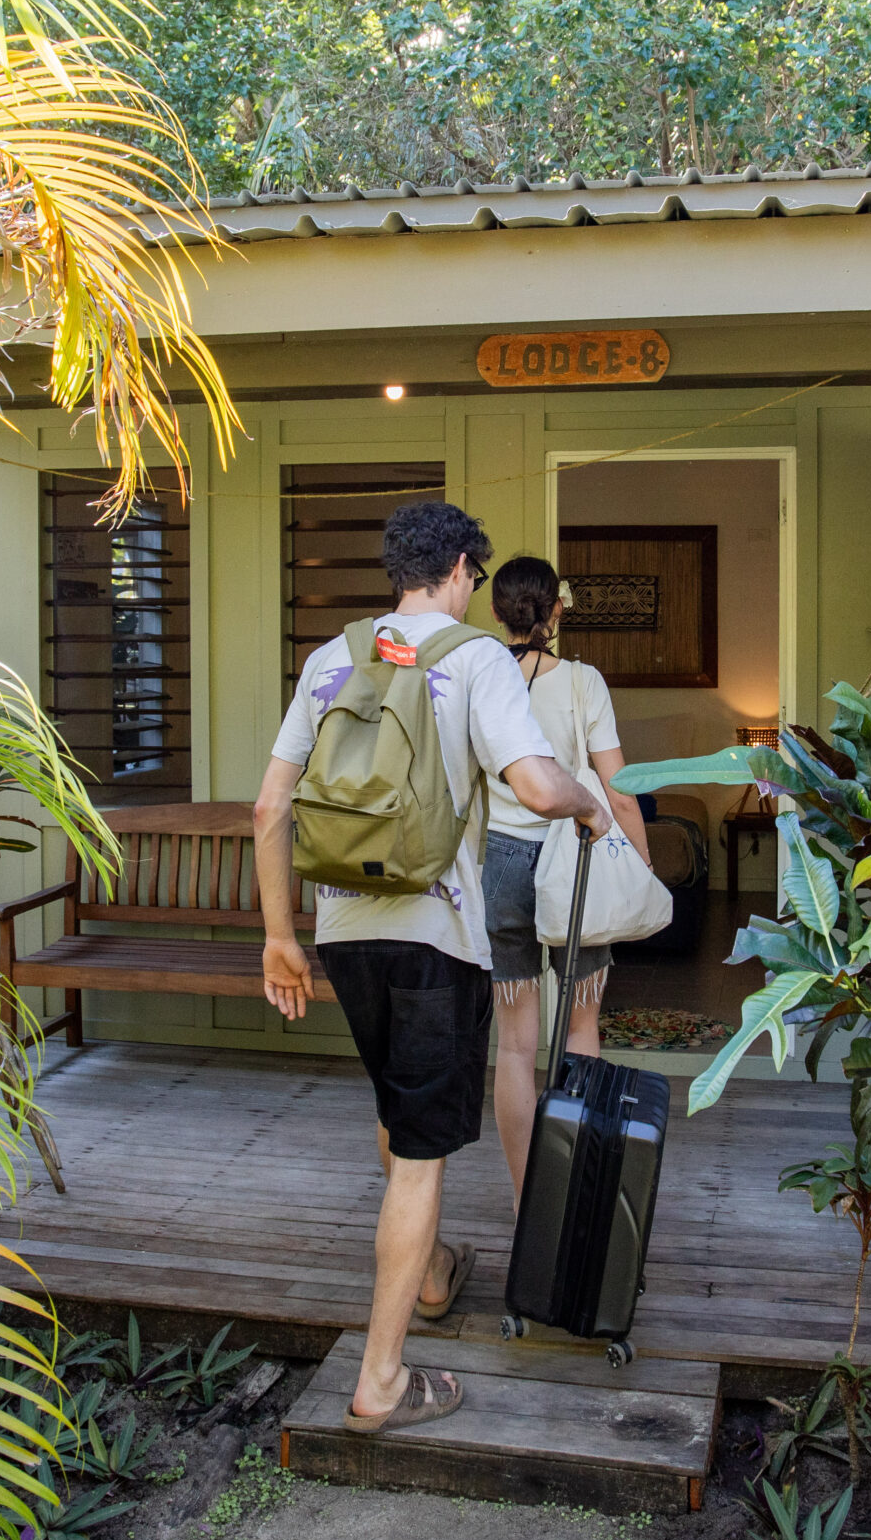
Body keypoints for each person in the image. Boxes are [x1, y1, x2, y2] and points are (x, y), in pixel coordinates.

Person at [254, 503, 608, 1436]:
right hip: (435, 934)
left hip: (342, 930)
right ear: (456, 567)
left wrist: (280, 935)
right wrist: (589, 803)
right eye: (473, 578)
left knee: (396, 1109)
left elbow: (269, 807)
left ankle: (434, 1269)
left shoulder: (332, 657)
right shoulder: (475, 657)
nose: (472, 592)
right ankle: (381, 1379)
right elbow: (534, 783)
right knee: (419, 1154)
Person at [479, 556, 654, 1207]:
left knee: (514, 1047)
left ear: (496, 612)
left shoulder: (480, 678)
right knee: (581, 1031)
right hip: (574, 859)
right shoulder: (584, 681)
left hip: (500, 863)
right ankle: (573, 1189)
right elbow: (619, 789)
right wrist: (639, 867)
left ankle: (528, 1203)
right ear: (557, 609)